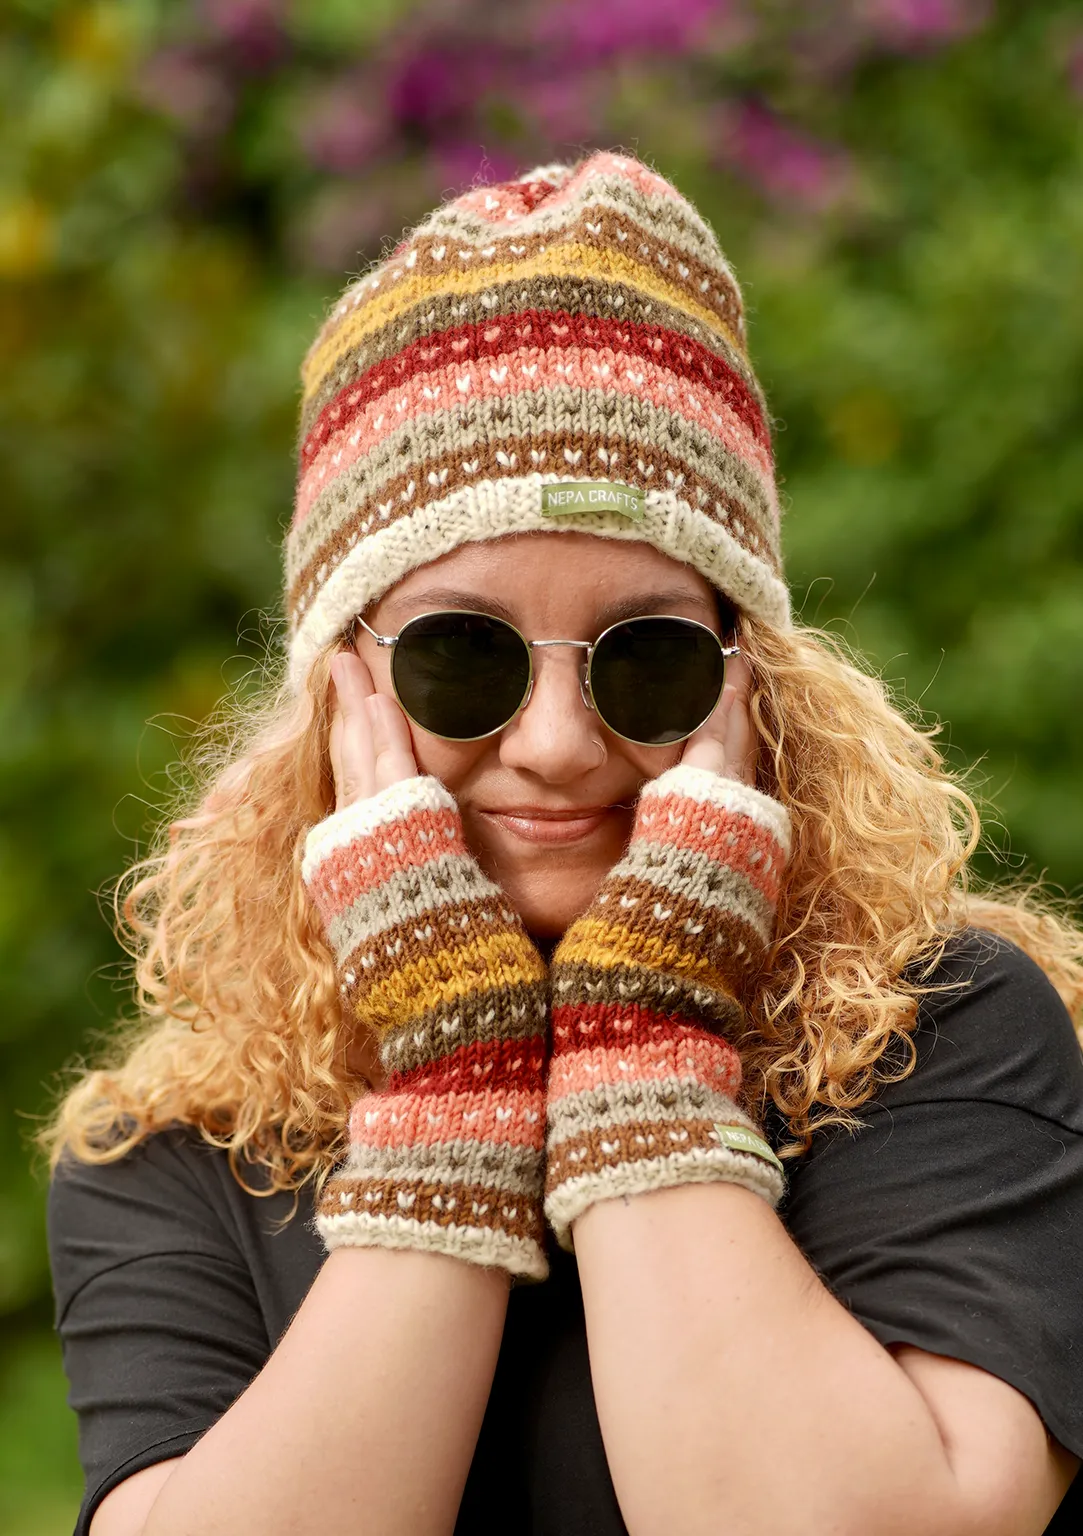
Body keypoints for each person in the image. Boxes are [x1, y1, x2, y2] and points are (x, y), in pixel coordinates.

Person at [45, 150, 1083, 1536]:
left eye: (642, 658)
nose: (551, 743)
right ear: (339, 681)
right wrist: (452, 1075)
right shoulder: (175, 1145)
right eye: (462, 659)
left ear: (747, 674)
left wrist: (642, 1047)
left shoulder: (936, 1029)